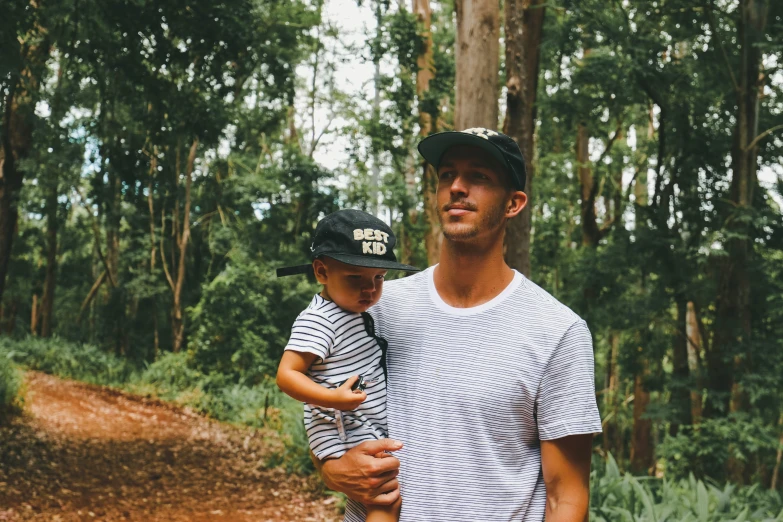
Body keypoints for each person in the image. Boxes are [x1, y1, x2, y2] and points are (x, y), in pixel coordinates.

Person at [316, 128, 603, 521]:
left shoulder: (557, 331)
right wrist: (331, 470)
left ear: (513, 204)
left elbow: (566, 497)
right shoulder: (376, 308)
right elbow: (326, 417)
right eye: (447, 175)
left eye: (479, 177)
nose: (457, 187)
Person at [276, 209, 419, 522]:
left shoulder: (350, 311)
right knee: (386, 498)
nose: (369, 289)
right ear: (322, 272)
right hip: (341, 424)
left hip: (354, 416)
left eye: (378, 278)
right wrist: (334, 399)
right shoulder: (319, 319)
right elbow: (286, 375)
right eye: (355, 278)